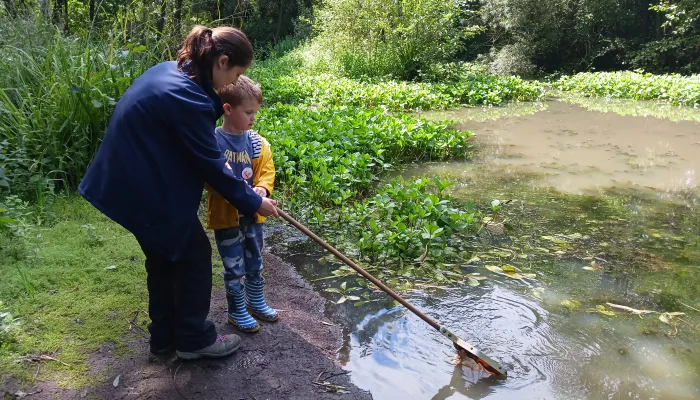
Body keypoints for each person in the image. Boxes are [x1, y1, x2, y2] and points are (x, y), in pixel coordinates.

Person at [78, 25, 279, 361]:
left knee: (165, 258)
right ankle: (193, 340)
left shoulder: (169, 71)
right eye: (236, 74)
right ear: (222, 60)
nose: (232, 84)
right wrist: (255, 201)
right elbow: (213, 165)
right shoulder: (186, 98)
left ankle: (164, 340)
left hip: (129, 180)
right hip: (142, 188)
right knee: (194, 256)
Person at [206, 76, 277, 333]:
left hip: (254, 216)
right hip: (226, 218)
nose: (253, 118)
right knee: (233, 265)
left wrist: (262, 188)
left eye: (255, 112)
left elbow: (267, 168)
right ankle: (237, 310)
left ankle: (256, 300)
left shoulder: (257, 142)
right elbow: (212, 180)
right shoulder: (212, 143)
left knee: (255, 259)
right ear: (227, 109)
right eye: (248, 112)